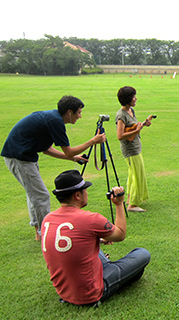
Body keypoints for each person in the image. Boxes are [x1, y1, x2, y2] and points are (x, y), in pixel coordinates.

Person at [1, 95, 106, 240]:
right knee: (40, 195)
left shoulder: (53, 118)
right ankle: (47, 235)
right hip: (19, 157)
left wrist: (73, 158)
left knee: (34, 193)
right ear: (69, 112)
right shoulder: (55, 121)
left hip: (25, 157)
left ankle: (39, 231)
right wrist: (92, 141)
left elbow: (46, 149)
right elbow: (68, 151)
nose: (80, 116)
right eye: (79, 112)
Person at [41, 170, 151, 306]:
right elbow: (120, 234)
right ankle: (112, 273)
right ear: (77, 195)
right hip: (91, 292)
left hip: (64, 291)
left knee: (88, 243)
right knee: (142, 254)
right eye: (85, 190)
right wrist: (118, 204)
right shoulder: (90, 219)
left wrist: (98, 240)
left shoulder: (47, 219)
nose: (87, 193)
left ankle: (105, 266)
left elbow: (71, 240)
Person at [115, 86, 151, 212]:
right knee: (136, 175)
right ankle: (132, 205)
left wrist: (143, 124)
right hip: (130, 150)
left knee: (134, 175)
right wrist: (137, 130)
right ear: (127, 99)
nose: (135, 99)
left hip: (136, 147)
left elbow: (132, 127)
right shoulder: (121, 115)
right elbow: (120, 136)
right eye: (133, 96)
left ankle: (133, 199)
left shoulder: (131, 111)